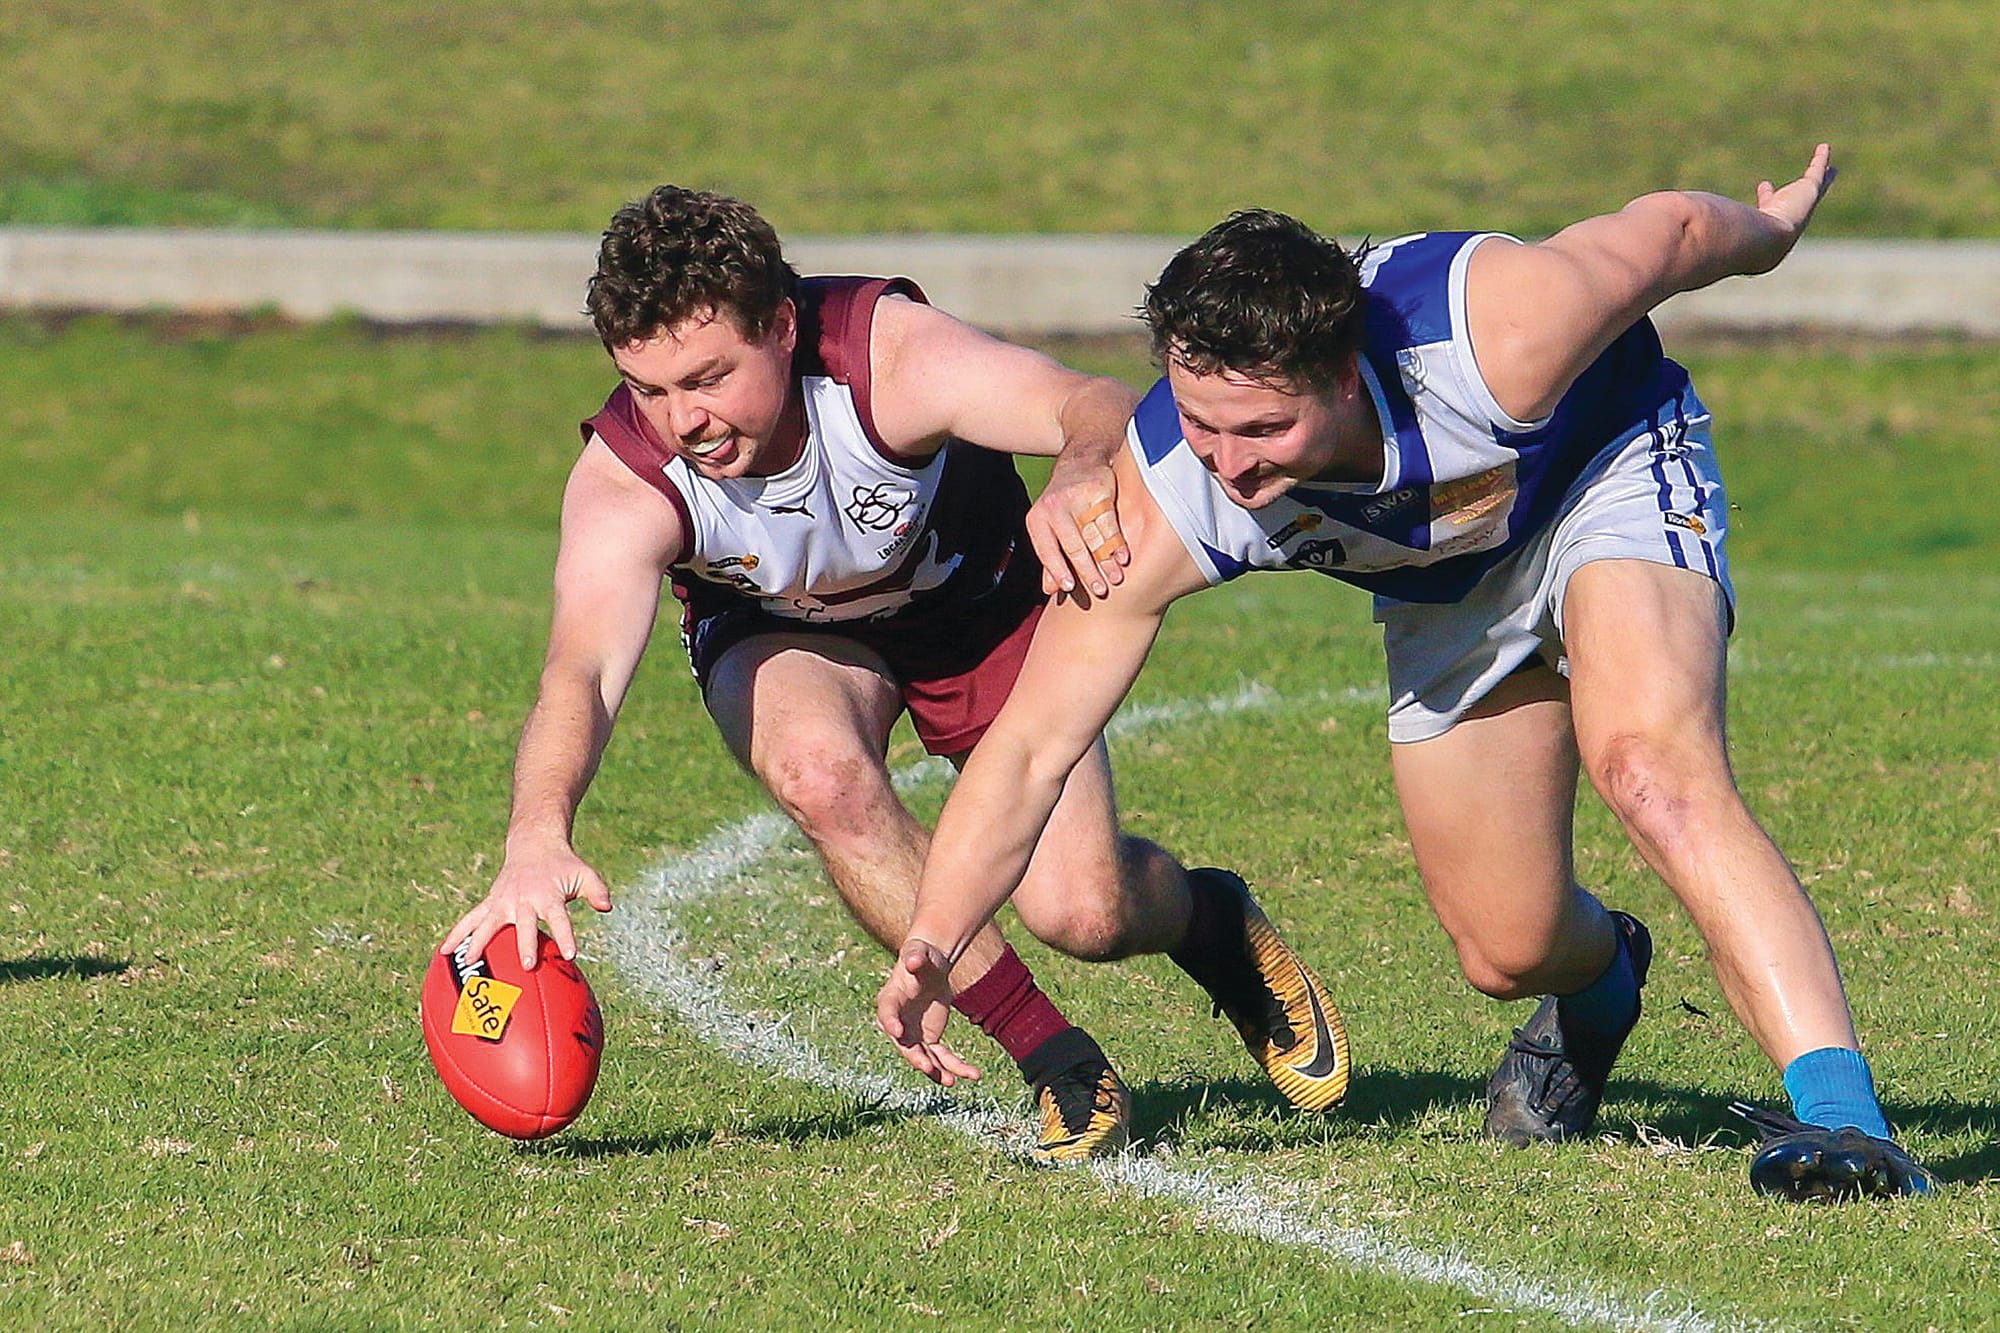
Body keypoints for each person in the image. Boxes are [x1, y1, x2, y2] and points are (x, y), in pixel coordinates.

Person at [878, 145, 1933, 1200]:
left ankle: (1847, 1124)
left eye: (1264, 429)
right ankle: (1602, 982)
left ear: (1343, 377)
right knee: (1506, 948)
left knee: (1649, 769)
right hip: (1446, 590)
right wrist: (935, 936)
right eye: (1201, 423)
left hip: (1601, 477)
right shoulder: (1167, 487)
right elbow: (1030, 749)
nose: (1229, 464)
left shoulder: (1493, 331)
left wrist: (1769, 234)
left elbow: (1676, 232)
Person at [439, 185, 1350, 1164]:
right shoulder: (629, 477)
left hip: (978, 607)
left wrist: (1083, 466)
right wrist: (535, 836)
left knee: (1084, 910)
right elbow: (579, 670)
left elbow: (1090, 402)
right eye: (649, 390)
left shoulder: (884, 359)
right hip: (785, 633)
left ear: (781, 327)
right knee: (816, 771)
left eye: (707, 378)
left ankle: (1212, 922)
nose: (682, 420)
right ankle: (1055, 1058)